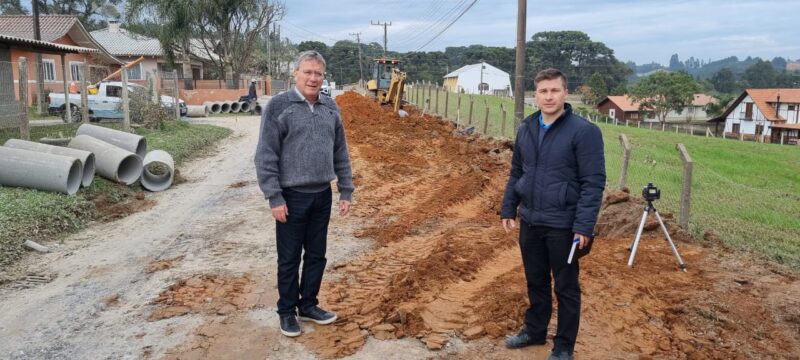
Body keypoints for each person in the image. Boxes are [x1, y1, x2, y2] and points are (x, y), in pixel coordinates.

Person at [500, 68, 606, 360]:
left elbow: (593, 183)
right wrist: (509, 207)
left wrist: (584, 227)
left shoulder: (584, 132)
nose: (549, 96)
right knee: (535, 281)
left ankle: (563, 346)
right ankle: (535, 331)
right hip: (531, 221)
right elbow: (517, 172)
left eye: (554, 90)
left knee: (566, 287)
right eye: (543, 91)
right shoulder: (528, 128)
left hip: (564, 225)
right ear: (536, 95)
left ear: (565, 93)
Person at [254, 50, 354, 338]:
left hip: (322, 195)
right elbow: (265, 155)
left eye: (318, 73)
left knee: (317, 255)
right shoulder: (278, 106)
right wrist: (274, 196)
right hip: (291, 197)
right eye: (307, 72)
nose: (313, 78)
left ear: (323, 77)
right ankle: (287, 311)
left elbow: (341, 153)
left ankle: (308, 305)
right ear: (295, 74)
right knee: (288, 258)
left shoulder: (330, 107)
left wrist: (345, 190)